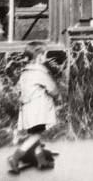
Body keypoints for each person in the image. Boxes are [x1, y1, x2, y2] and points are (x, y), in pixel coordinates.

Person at [7, 41, 62, 174]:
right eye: (45, 55)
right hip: (38, 109)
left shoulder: (25, 72)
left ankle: (41, 161)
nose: (46, 57)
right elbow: (53, 89)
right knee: (36, 136)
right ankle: (16, 157)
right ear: (39, 57)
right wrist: (57, 96)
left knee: (34, 133)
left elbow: (18, 89)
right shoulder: (40, 72)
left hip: (27, 108)